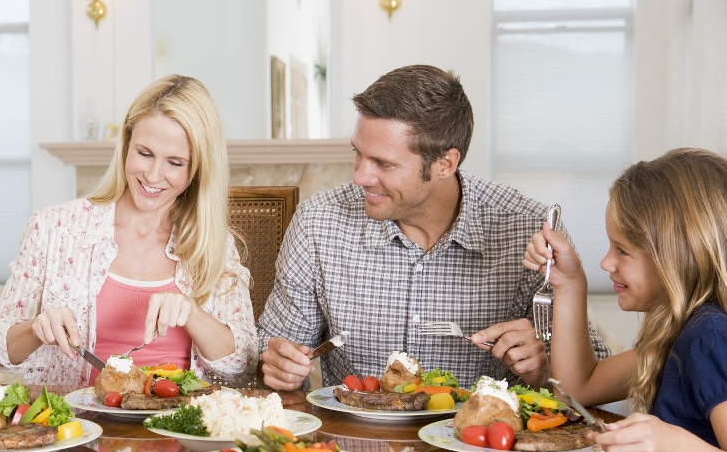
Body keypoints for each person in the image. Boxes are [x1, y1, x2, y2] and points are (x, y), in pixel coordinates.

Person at [258, 65, 609, 391]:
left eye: (383, 163)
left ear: (444, 163)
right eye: (358, 153)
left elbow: (594, 382)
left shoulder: (527, 230)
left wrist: (542, 370)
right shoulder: (318, 222)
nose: (360, 176)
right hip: (355, 447)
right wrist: (276, 364)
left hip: (480, 447)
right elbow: (270, 348)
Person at [0, 75, 257, 386]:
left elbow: (244, 365)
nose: (153, 175)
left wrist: (193, 313)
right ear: (126, 145)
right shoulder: (53, 229)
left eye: (175, 163)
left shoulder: (215, 247)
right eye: (145, 153)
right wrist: (34, 329)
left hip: (179, 426)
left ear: (197, 169)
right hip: (78, 426)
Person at [523, 148, 727, 452]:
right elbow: (578, 388)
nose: (606, 262)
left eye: (623, 250)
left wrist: (678, 449)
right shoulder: (679, 336)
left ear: (680, 256)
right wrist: (570, 283)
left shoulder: (710, 338)